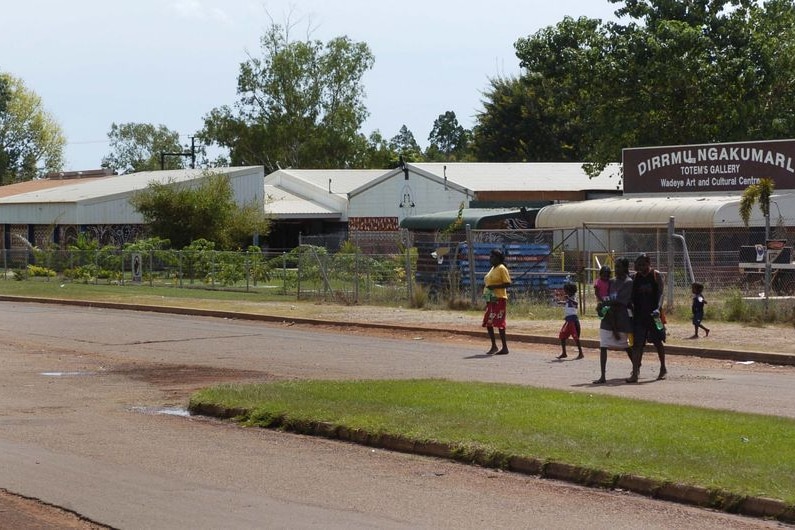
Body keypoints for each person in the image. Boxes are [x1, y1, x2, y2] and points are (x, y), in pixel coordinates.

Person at [593, 257, 634, 384]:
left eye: (618, 267)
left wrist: (606, 303)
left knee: (625, 345)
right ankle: (603, 375)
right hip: (608, 318)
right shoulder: (611, 282)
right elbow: (605, 296)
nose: (616, 269)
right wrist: (602, 305)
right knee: (603, 345)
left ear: (625, 268)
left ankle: (636, 366)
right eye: (615, 267)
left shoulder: (628, 282)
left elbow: (620, 301)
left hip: (621, 318)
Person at [627, 254, 667, 383]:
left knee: (657, 342)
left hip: (653, 316)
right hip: (639, 316)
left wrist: (658, 308)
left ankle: (663, 368)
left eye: (643, 264)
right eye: (638, 265)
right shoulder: (634, 278)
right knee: (637, 345)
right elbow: (631, 296)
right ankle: (635, 372)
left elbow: (661, 294)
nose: (640, 267)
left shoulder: (656, 276)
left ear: (649, 264)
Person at [482, 248, 511, 355]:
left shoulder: (502, 268)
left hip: (499, 298)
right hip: (491, 299)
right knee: (488, 322)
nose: (491, 258)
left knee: (499, 322)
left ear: (498, 258)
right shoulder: (493, 268)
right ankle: (494, 345)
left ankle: (505, 347)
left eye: (493, 257)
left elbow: (507, 283)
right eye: (490, 256)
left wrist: (494, 286)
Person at [557, 282, 584, 359]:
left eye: (566, 290)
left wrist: (568, 299)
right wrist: (562, 302)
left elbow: (576, 303)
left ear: (570, 291)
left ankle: (581, 353)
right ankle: (564, 353)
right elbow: (568, 303)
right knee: (562, 336)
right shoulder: (570, 297)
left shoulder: (574, 297)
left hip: (573, 320)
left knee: (576, 338)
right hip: (568, 321)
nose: (565, 292)